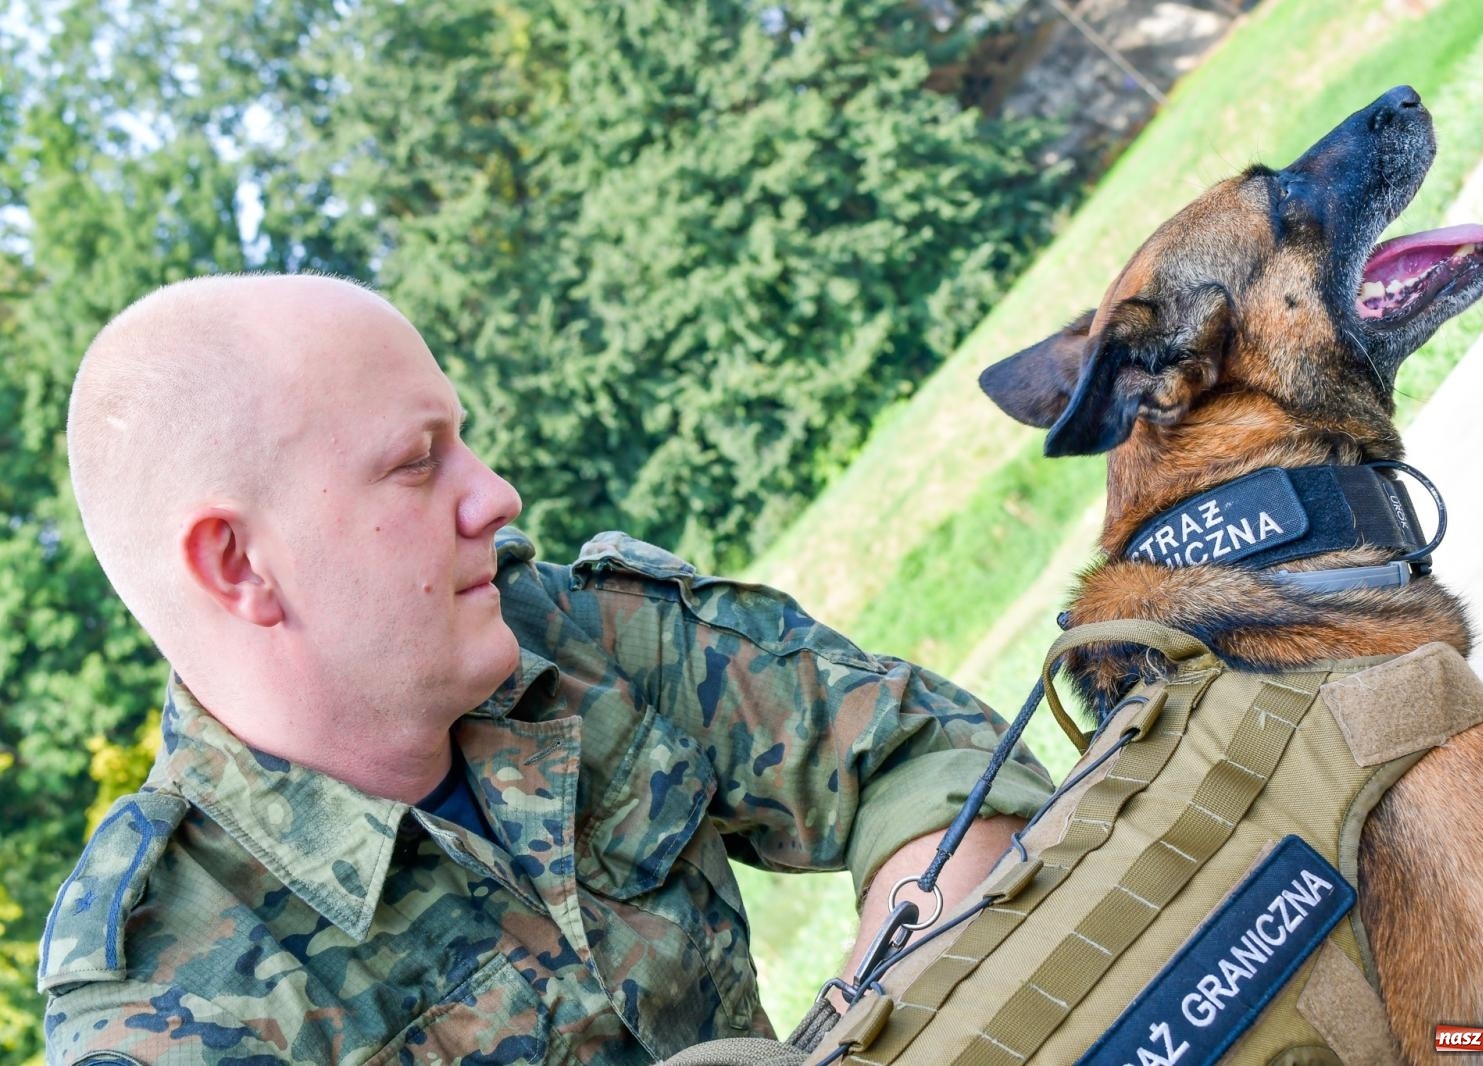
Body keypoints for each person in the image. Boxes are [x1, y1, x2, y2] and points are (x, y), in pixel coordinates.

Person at [38, 274, 1054, 1065]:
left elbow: (926, 755)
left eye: (462, 441)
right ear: (238, 563)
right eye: (416, 460)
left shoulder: (553, 635)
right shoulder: (166, 1003)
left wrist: (870, 1022)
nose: (495, 495)